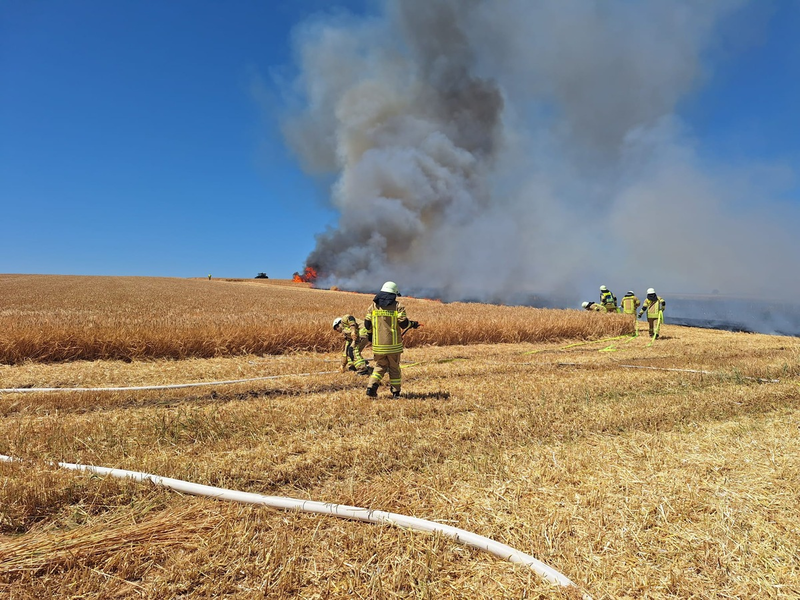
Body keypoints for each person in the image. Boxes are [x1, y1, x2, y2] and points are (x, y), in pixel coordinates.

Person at [364, 281, 419, 399]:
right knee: (394, 368)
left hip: (378, 345)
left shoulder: (373, 306)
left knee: (379, 366)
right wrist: (413, 324)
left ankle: (371, 387)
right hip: (393, 345)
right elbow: (404, 324)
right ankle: (396, 393)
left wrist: (370, 336)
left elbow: (367, 323)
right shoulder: (398, 306)